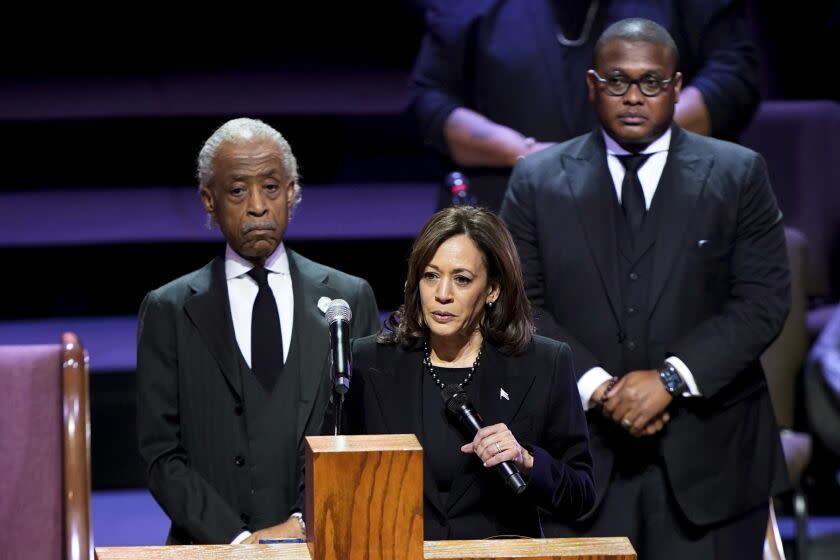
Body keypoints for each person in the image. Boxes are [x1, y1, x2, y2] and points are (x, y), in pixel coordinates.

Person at [500, 18, 789, 559]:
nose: (634, 97)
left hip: (715, 466)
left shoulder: (738, 173)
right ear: (592, 85)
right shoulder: (536, 181)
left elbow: (763, 300)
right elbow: (520, 305)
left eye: (651, 82)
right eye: (617, 81)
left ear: (677, 87)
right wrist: (598, 388)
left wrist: (671, 380)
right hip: (581, 463)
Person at [136, 117, 380, 544]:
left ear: (291, 192)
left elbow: (367, 436)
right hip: (212, 549)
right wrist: (238, 541)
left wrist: (303, 526)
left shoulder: (348, 299)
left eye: (270, 187)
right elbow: (160, 454)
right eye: (237, 190)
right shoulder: (170, 309)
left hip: (322, 543)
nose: (257, 206)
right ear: (209, 200)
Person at [328, 205, 595, 539]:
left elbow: (581, 494)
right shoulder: (368, 362)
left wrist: (526, 461)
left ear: (493, 290)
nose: (442, 294)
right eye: (431, 275)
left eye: (462, 279)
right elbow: (332, 480)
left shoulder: (545, 363)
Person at [409, 0, 761, 211]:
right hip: (510, 208)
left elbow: (733, 76)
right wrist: (524, 154)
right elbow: (429, 99)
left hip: (662, 210)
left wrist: (629, 140)